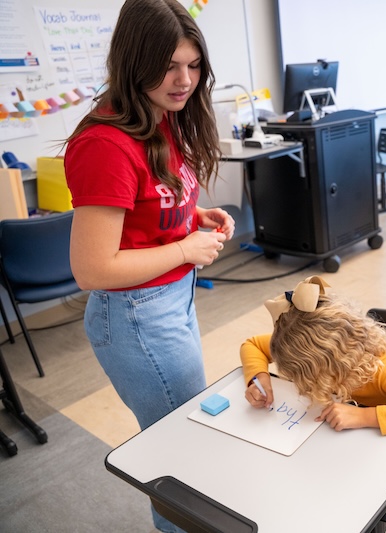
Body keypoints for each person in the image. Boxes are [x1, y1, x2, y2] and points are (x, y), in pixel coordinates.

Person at [64, 1, 233, 530]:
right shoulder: (106, 143)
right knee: (179, 457)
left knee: (187, 439)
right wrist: (184, 250)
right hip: (137, 315)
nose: (184, 81)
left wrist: (187, 217)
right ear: (135, 61)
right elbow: (92, 270)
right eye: (169, 66)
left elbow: (145, 206)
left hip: (170, 299)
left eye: (194, 65)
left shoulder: (158, 116)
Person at [240, 276, 386, 434]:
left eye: (305, 375)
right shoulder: (302, 348)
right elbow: (252, 345)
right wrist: (259, 378)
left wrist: (364, 416)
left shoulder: (379, 368)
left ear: (329, 362)